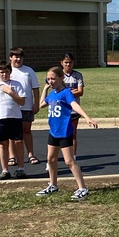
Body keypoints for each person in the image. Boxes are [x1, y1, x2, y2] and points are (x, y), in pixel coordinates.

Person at [36, 66, 98, 201]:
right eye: (49, 79)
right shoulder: (52, 93)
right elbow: (41, 104)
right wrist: (45, 89)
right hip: (53, 131)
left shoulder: (66, 93)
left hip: (64, 131)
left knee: (69, 161)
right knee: (50, 160)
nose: (51, 81)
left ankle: (83, 188)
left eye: (53, 78)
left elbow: (74, 105)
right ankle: (53, 185)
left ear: (61, 78)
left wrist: (87, 117)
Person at [0, 61, 27, 180]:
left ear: (10, 72)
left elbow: (22, 101)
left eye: (7, 72)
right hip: (1, 118)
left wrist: (11, 93)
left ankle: (21, 169)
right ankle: (5, 170)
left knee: (18, 142)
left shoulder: (17, 84)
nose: (4, 74)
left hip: (15, 117)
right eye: (2, 72)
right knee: (3, 144)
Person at [8, 47, 41, 166]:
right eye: (16, 56)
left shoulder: (29, 71)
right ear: (10, 58)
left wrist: (36, 103)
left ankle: (31, 154)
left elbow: (35, 88)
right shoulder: (7, 71)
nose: (18, 59)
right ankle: (12, 156)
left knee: (27, 130)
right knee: (12, 133)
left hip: (26, 107)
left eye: (20, 57)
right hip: (11, 107)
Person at [59, 53, 85, 157]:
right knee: (61, 133)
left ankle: (73, 155)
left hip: (74, 109)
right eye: (66, 62)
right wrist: (70, 92)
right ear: (61, 63)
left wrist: (66, 92)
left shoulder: (77, 75)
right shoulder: (59, 75)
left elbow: (80, 92)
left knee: (73, 133)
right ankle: (62, 155)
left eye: (70, 62)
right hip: (61, 109)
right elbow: (58, 93)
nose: (68, 65)